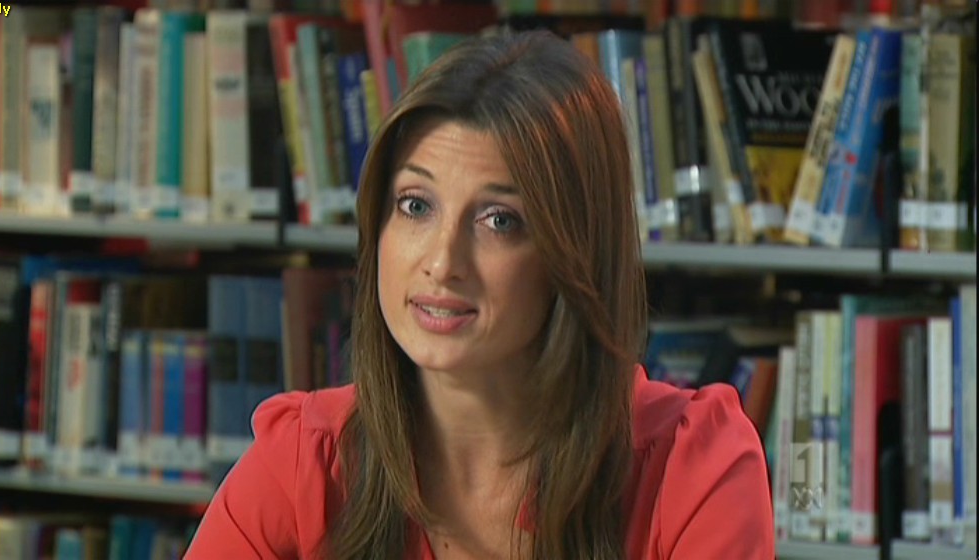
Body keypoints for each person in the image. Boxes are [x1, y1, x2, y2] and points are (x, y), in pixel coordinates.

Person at [187, 29, 774, 559]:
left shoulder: (692, 469)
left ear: (574, 252)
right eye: (415, 205)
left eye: (499, 220)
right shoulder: (305, 462)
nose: (442, 263)